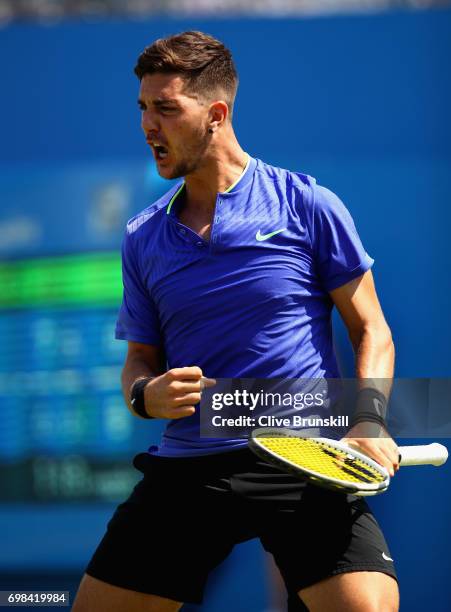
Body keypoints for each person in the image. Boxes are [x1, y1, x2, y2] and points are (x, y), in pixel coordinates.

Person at [73, 31, 400, 612]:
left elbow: (371, 328)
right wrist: (147, 395)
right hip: (192, 467)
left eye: (167, 108)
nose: (149, 124)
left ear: (216, 115)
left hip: (306, 456)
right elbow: (139, 364)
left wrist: (369, 421)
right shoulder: (142, 238)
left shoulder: (308, 205)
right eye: (143, 108)